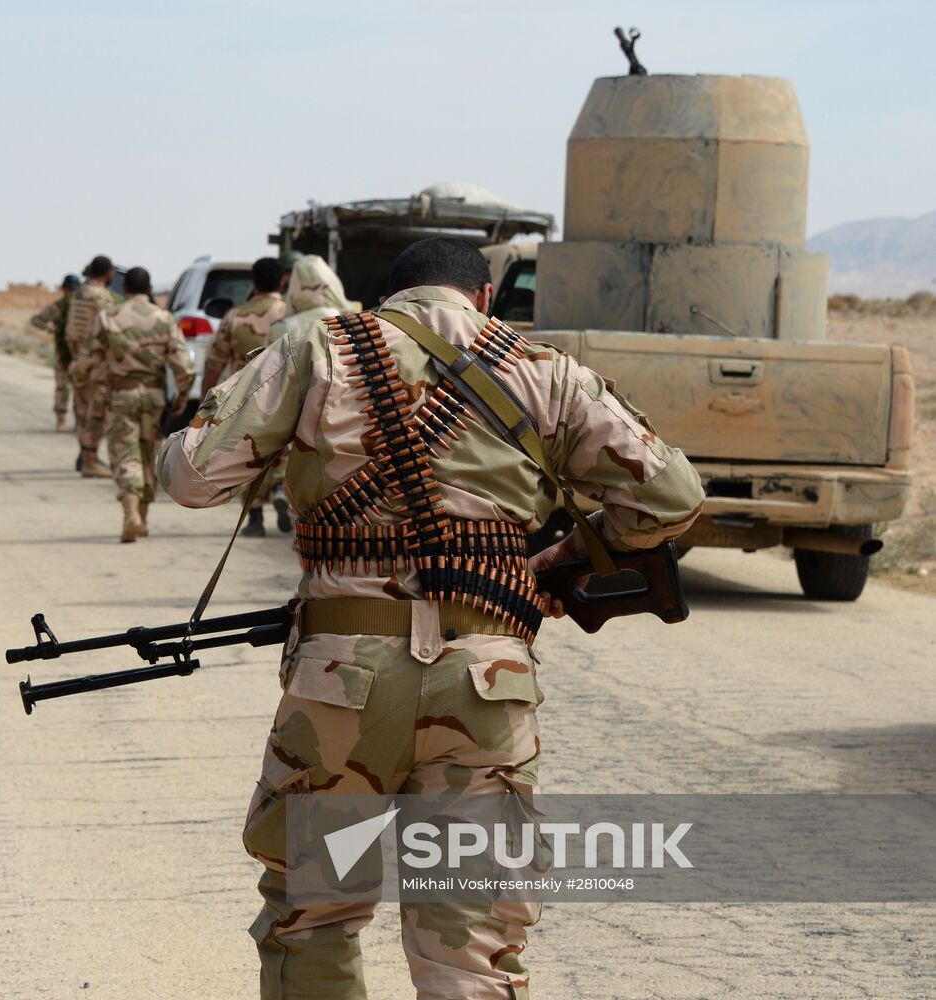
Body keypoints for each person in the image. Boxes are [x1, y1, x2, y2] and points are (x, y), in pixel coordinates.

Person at [158, 237, 705, 1000]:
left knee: (315, 912)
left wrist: (191, 428)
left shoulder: (318, 345)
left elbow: (192, 479)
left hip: (340, 681)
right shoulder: (542, 368)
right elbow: (672, 499)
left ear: (389, 298)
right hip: (486, 681)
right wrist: (558, 564)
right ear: (482, 297)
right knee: (471, 938)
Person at [86, 266, 194, 542]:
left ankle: (130, 514)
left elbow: (92, 362)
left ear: (124, 289)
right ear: (148, 289)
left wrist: (95, 396)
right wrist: (182, 396)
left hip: (121, 396)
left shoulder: (107, 317)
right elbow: (182, 365)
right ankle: (142, 518)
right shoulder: (164, 318)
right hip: (154, 397)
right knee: (148, 455)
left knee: (126, 455)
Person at [199, 257, 291, 538]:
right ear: (282, 282)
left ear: (254, 283)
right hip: (286, 396)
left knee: (249, 454)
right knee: (286, 449)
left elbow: (215, 362)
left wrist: (205, 403)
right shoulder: (291, 315)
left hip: (247, 398)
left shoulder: (234, 316)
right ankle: (279, 488)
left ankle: (255, 517)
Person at [65, 255, 118, 477]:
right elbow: (109, 331)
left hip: (78, 359)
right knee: (97, 413)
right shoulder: (102, 297)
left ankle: (85, 455)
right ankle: (90, 459)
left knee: (81, 409)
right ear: (108, 274)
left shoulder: (78, 294)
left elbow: (69, 329)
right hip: (97, 362)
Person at [30, 273, 81, 431]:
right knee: (62, 389)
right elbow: (36, 320)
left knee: (80, 391)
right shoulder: (57, 307)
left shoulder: (81, 308)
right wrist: (48, 327)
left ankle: (79, 423)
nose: (72, 293)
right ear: (64, 289)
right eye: (70, 289)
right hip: (63, 355)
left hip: (80, 356)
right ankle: (61, 420)